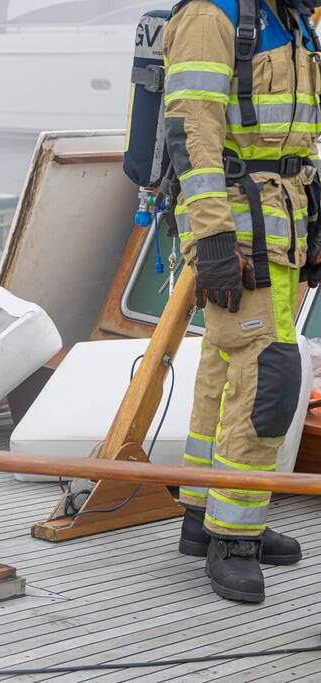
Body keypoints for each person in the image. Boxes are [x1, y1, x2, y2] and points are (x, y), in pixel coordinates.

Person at [164, 0, 321, 602]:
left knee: (226, 365)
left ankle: (203, 513)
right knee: (268, 373)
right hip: (235, 229)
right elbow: (191, 131)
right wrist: (212, 237)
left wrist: (315, 217)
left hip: (279, 225)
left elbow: (298, 137)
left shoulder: (292, 19)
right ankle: (234, 537)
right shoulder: (214, 15)